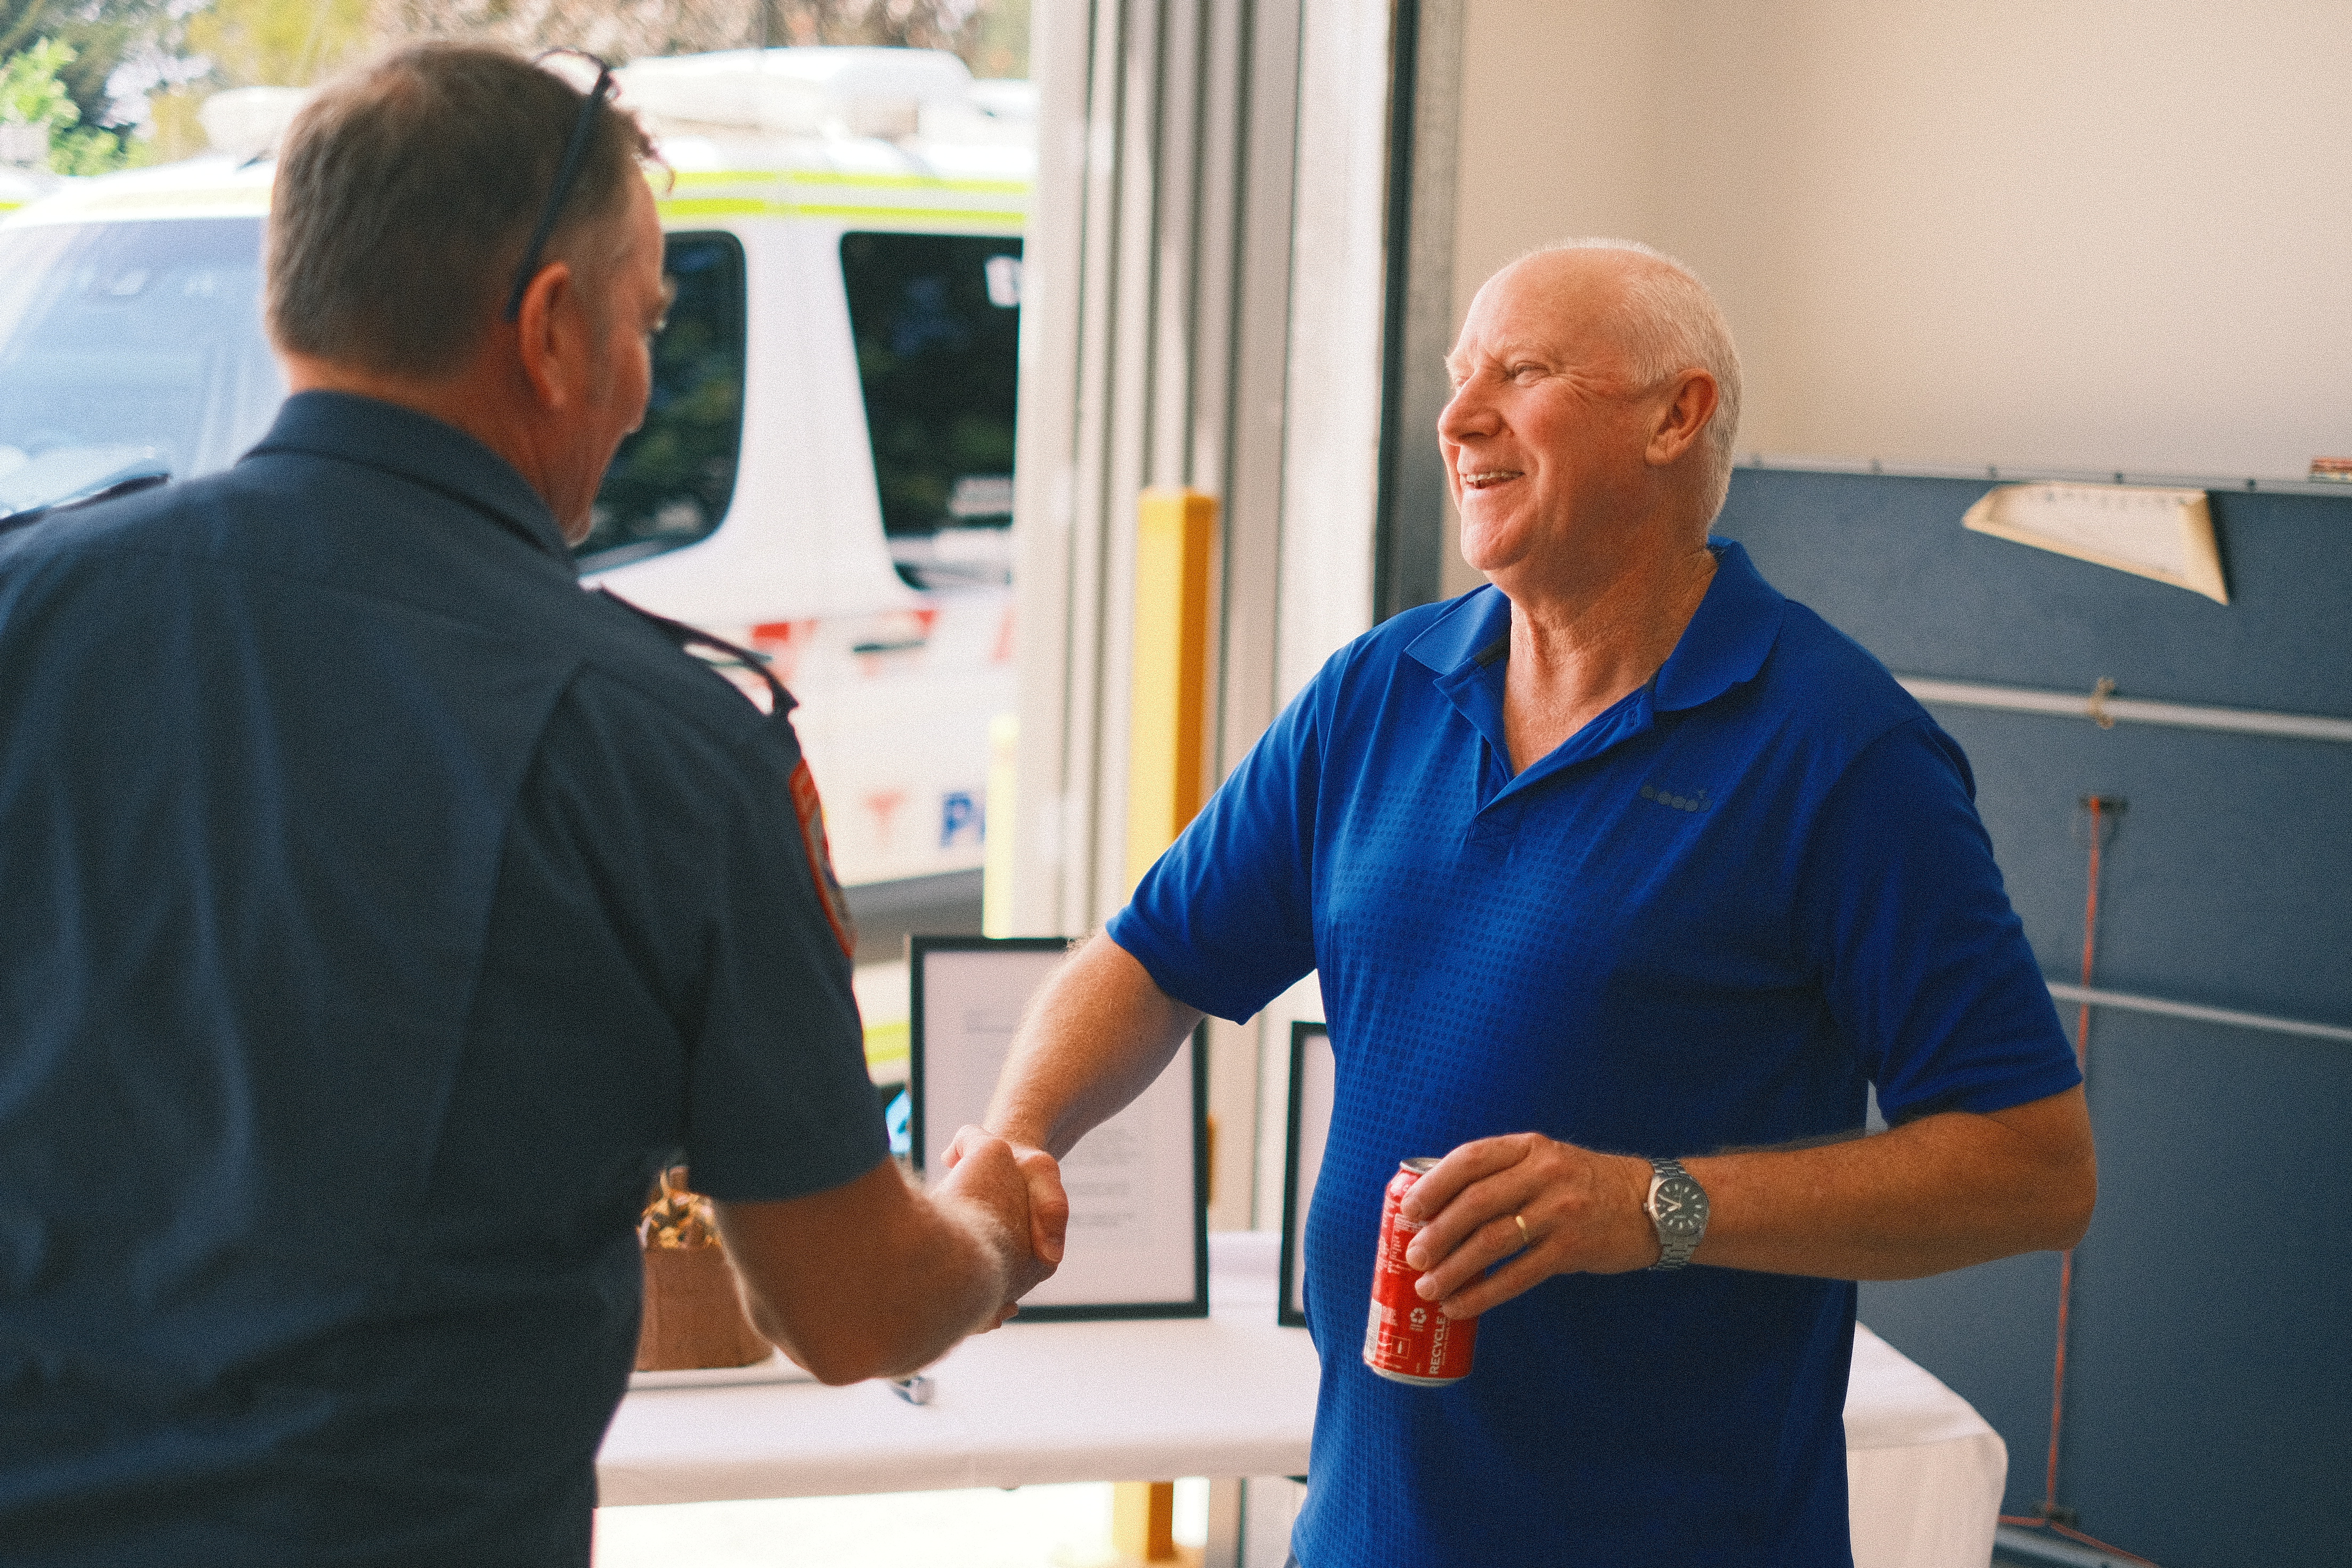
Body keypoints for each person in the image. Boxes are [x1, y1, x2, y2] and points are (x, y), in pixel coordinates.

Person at [0, 44, 1063, 1566]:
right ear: (553, 332)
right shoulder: (671, 754)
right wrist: (990, 1234)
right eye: (644, 324)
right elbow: (844, 1309)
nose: (641, 384)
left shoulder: (29, 608)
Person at [983, 240, 2096, 1565]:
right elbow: (1153, 956)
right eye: (1461, 377)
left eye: (1522, 373)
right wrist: (1018, 1133)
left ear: (1675, 417)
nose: (1459, 418)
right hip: (1361, 1530)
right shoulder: (1378, 691)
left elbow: (2035, 1168)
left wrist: (1653, 1206)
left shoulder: (1841, 751)